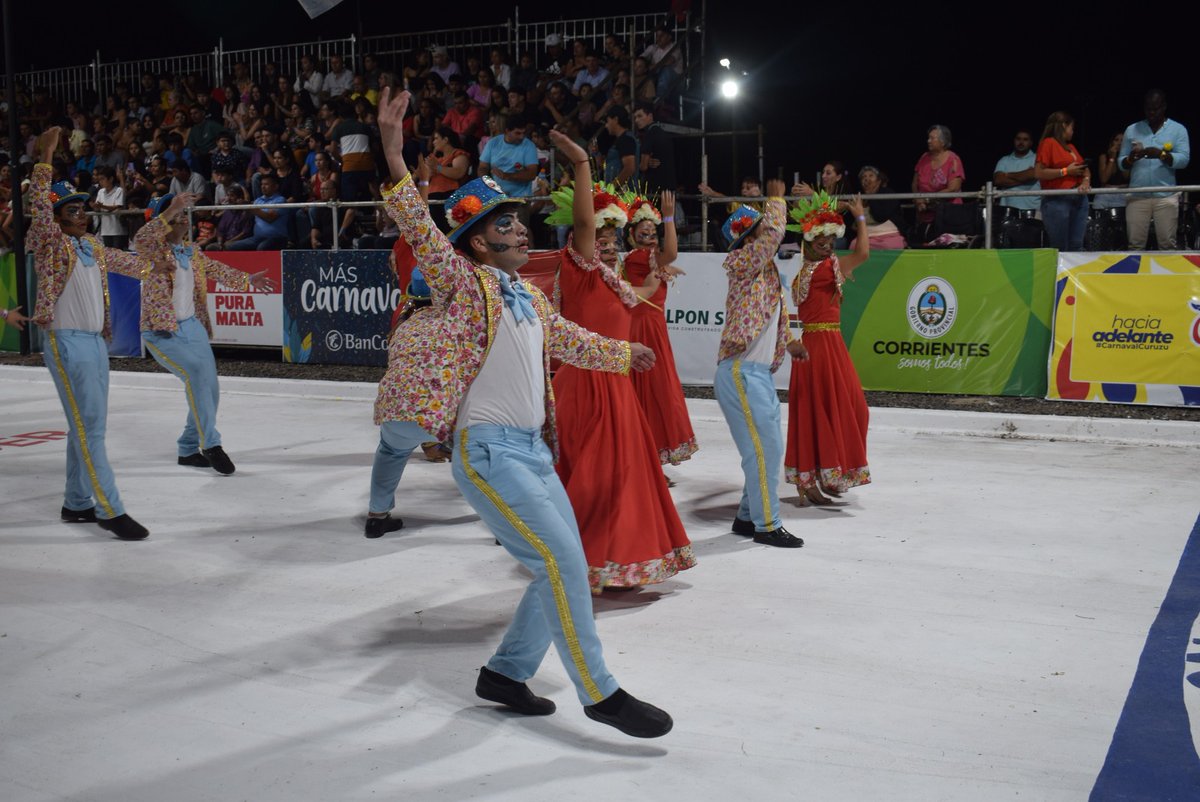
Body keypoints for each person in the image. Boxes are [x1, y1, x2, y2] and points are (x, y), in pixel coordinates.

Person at [375, 86, 672, 738]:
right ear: (475, 245)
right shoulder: (464, 283)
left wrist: (625, 356)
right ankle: (600, 693)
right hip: (488, 454)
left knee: (565, 561)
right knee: (562, 564)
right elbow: (422, 230)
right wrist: (395, 153)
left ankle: (507, 673)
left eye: (519, 221)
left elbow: (571, 341)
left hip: (535, 453)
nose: (519, 229)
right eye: (502, 224)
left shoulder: (529, 298)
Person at [544, 150, 695, 593]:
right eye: (600, 239)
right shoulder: (579, 270)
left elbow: (650, 285)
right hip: (586, 384)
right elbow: (587, 225)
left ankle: (613, 558)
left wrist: (663, 271)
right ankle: (584, 560)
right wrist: (582, 164)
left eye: (614, 240)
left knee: (624, 471)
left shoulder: (617, 282)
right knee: (591, 474)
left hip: (618, 384)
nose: (607, 245)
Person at [28, 127, 181, 541]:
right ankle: (109, 508)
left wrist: (156, 267)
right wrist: (45, 155)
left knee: (89, 424)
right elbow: (38, 208)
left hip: (95, 343)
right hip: (66, 342)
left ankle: (75, 502)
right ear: (58, 217)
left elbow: (124, 260)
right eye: (73, 210)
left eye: (82, 208)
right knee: (90, 427)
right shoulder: (50, 243)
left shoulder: (91, 246)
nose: (82, 214)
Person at [137, 193, 274, 473]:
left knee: (209, 389)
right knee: (196, 376)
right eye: (174, 219)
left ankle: (187, 449)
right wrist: (173, 205)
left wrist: (248, 280)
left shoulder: (192, 252)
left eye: (181, 217)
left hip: (192, 327)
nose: (181, 223)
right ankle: (210, 444)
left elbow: (218, 270)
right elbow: (143, 235)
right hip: (162, 331)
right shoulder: (151, 250)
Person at [715, 181, 805, 549]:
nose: (767, 236)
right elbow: (773, 234)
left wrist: (789, 343)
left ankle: (747, 517)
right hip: (741, 372)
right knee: (765, 450)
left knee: (762, 450)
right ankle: (767, 525)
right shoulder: (742, 260)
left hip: (753, 373)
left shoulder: (764, 271)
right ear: (747, 239)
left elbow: (772, 319)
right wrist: (777, 199)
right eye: (759, 231)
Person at [783, 190, 872, 505]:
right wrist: (859, 216)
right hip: (822, 346)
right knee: (832, 411)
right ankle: (817, 478)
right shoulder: (824, 268)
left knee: (837, 410)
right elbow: (862, 254)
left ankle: (824, 476)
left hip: (827, 344)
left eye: (830, 240)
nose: (828, 246)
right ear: (808, 242)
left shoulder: (812, 268)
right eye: (821, 240)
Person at [619, 190, 698, 468]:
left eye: (653, 231)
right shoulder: (639, 257)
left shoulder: (645, 258)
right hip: (644, 329)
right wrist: (668, 218)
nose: (650, 236)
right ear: (631, 235)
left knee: (656, 390)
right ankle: (647, 455)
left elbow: (666, 259)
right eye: (644, 231)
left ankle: (649, 454)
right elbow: (672, 252)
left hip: (652, 326)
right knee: (652, 390)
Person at [1117, 89, 1191, 250]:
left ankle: (1166, 275)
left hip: (1166, 195)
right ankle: (1136, 276)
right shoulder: (1132, 129)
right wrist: (1130, 159)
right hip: (1137, 195)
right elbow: (1121, 162)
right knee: (1135, 245)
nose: (1151, 112)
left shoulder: (1178, 130)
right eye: (1148, 108)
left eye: (1155, 108)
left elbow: (1184, 160)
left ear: (1164, 107)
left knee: (1167, 245)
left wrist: (1161, 155)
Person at [1034, 111, 1090, 252]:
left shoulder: (1071, 147)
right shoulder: (1048, 143)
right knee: (1060, 247)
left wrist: (1085, 181)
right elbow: (1038, 172)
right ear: (1064, 126)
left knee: (1077, 246)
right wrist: (1065, 171)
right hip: (1058, 200)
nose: (1073, 132)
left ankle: (1073, 274)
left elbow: (1085, 168)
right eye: (1072, 128)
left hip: (1079, 198)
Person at [911, 124, 965, 242]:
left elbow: (953, 189)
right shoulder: (924, 157)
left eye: (932, 138)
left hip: (948, 216)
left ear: (943, 142)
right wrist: (917, 200)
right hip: (924, 215)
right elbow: (915, 184)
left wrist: (927, 200)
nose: (928, 141)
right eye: (928, 138)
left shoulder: (953, 160)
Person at [992, 130, 1041, 248]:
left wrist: (1008, 175)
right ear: (1014, 141)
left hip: (1033, 209)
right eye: (1018, 139)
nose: (1021, 142)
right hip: (1008, 212)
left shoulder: (1037, 159)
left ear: (1031, 143)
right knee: (1008, 247)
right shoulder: (1004, 160)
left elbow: (1032, 174)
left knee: (1032, 246)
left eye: (1025, 139)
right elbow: (998, 180)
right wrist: (1024, 175)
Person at [854, 166, 906, 249]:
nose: (867, 179)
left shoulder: (888, 194)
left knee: (887, 246)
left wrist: (871, 196)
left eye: (871, 176)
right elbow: (855, 224)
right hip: (866, 236)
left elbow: (880, 216)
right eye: (864, 177)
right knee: (854, 245)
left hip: (888, 235)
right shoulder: (859, 197)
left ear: (878, 180)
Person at [633, 102, 676, 197]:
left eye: (640, 116)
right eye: (635, 117)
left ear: (650, 116)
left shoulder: (650, 134)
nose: (636, 120)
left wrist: (642, 163)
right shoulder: (661, 132)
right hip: (668, 188)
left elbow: (643, 166)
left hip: (655, 189)